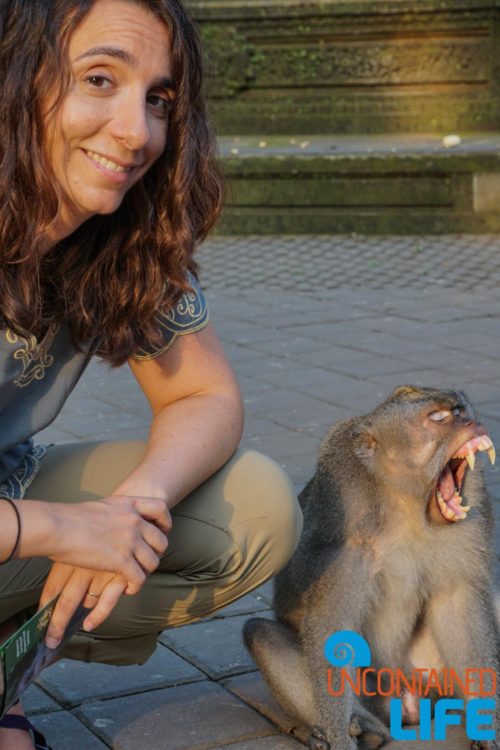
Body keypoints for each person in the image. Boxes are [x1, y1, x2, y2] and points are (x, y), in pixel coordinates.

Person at [0, 0, 303, 748]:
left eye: (159, 99)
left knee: (253, 507)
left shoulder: (117, 235)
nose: (137, 133)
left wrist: (133, 507)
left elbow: (204, 393)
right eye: (99, 78)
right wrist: (66, 528)